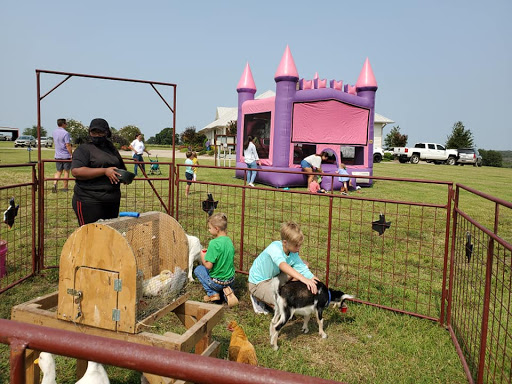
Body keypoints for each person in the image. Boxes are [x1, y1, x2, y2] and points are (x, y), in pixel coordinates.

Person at [248, 221, 319, 310]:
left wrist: (323, 290)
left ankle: (279, 293)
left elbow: (306, 272)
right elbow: (282, 265)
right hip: (258, 283)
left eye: (299, 245)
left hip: (274, 278)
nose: (298, 248)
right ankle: (258, 298)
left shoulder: (293, 253)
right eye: (296, 245)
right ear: (285, 242)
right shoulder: (274, 247)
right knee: (284, 305)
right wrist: (304, 279)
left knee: (304, 266)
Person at [71, 118, 127, 226]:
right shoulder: (84, 149)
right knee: (90, 236)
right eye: (94, 132)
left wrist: (124, 176)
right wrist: (104, 171)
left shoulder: (111, 149)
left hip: (112, 200)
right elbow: (76, 171)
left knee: (108, 235)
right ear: (89, 133)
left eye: (100, 132)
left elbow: (120, 168)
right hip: (89, 200)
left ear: (107, 132)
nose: (97, 135)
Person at [193, 213, 238, 307]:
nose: (209, 230)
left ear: (216, 228)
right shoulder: (229, 241)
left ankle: (212, 293)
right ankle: (227, 293)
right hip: (230, 280)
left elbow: (208, 266)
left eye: (209, 228)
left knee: (198, 269)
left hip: (216, 282)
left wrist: (203, 256)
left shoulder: (213, 243)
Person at [52, 118, 73, 193]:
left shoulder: (54, 132)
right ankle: (65, 187)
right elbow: (67, 145)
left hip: (57, 155)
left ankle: (54, 184)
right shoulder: (66, 133)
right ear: (63, 124)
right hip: (65, 156)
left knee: (58, 171)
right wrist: (71, 154)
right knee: (66, 172)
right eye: (66, 123)